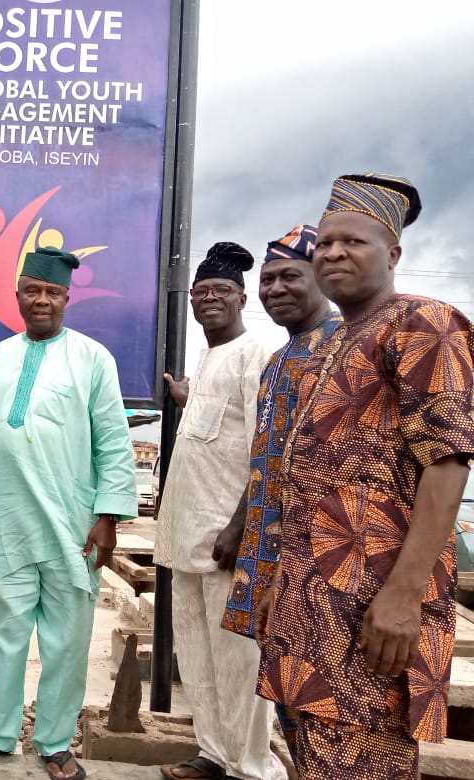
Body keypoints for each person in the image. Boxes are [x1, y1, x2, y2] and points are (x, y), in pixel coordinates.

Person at [257, 174, 474, 779]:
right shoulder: (327, 346)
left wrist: (404, 595)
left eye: (352, 242)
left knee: (363, 762)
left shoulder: (424, 324)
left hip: (373, 611)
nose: (332, 253)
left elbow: (448, 462)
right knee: (312, 758)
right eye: (324, 244)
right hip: (310, 608)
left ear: (394, 254)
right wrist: (284, 585)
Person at [0, 246, 138, 780]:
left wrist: (109, 517)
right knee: (0, 629)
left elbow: (114, 445)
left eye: (52, 292)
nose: (42, 300)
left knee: (67, 638)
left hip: (72, 522)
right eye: (33, 290)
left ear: (67, 299)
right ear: (19, 296)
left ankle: (54, 739)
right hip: (6, 518)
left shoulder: (94, 359)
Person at [154, 243, 285, 780]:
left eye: (221, 292)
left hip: (226, 541)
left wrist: (241, 526)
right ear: (191, 300)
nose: (210, 299)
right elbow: (218, 426)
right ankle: (213, 754)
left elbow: (264, 445)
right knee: (197, 658)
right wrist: (190, 398)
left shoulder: (258, 352)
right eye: (201, 292)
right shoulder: (208, 356)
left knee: (238, 663)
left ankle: (253, 767)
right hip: (185, 536)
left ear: (242, 298)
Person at [217, 224, 342, 763]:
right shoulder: (281, 359)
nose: (274, 289)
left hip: (324, 569)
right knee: (290, 698)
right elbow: (266, 461)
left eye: (289, 276)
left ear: (322, 277)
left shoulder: (345, 349)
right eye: (267, 280)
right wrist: (243, 524)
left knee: (332, 710)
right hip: (272, 563)